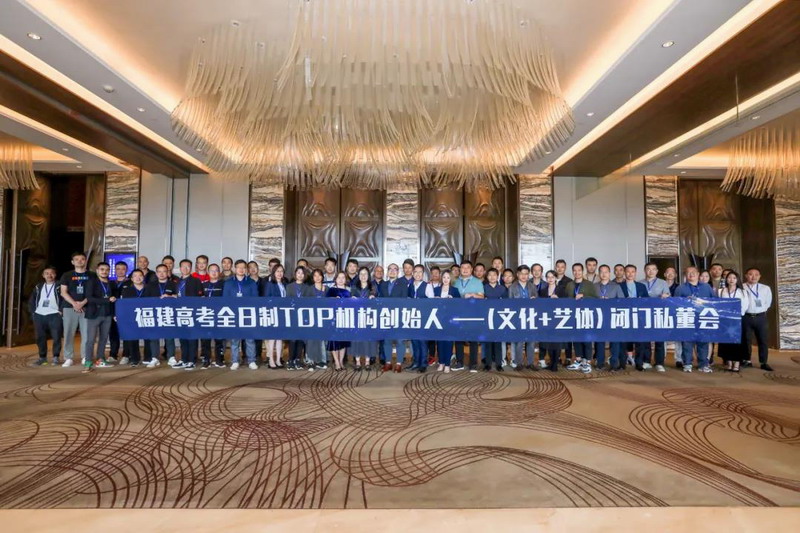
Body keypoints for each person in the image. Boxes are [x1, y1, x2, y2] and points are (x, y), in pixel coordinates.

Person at [674, 266, 715, 373]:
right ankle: (687, 363)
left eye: (693, 272)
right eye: (688, 272)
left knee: (703, 342)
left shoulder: (706, 287)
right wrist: (685, 301)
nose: (691, 274)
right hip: (687, 317)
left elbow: (714, 301)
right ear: (685, 275)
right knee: (687, 342)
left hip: (703, 318)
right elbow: (675, 304)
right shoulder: (680, 288)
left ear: (698, 274)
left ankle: (703, 364)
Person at [59, 252, 96, 367]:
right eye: (77, 259)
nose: (80, 261)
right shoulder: (66, 275)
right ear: (72, 262)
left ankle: (85, 356)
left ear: (85, 261)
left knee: (87, 334)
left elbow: (95, 292)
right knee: (68, 333)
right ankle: (68, 357)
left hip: (87, 307)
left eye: (82, 259)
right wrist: (74, 304)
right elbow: (63, 292)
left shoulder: (92, 275)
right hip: (69, 307)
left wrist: (83, 303)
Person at [223, 260, 259, 370]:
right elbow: (225, 299)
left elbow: (255, 298)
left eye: (243, 267)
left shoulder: (251, 282)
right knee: (235, 340)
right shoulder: (229, 282)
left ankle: (251, 360)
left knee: (250, 339)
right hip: (234, 314)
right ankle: (235, 361)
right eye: (239, 267)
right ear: (235, 268)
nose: (241, 269)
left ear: (246, 269)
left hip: (248, 314)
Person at [83, 262, 116, 372]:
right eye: (102, 269)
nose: (104, 271)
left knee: (104, 338)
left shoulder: (111, 283)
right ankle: (88, 362)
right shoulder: (91, 282)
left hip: (107, 314)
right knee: (90, 340)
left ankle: (100, 359)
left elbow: (114, 298)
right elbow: (89, 298)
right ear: (97, 270)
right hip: (94, 314)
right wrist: (107, 300)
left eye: (107, 269)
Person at [565, 263, 598, 374]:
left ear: (582, 271)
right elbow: (567, 299)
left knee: (586, 339)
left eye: (579, 270)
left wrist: (584, 296)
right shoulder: (569, 285)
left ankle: (587, 362)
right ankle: (578, 360)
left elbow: (596, 299)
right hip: (573, 315)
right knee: (576, 338)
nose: (577, 272)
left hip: (586, 314)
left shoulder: (589, 284)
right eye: (574, 270)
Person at [143, 264, 177, 368]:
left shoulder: (173, 284)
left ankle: (171, 357)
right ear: (156, 273)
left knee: (169, 336)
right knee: (154, 337)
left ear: (168, 272)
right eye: (159, 272)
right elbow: (145, 300)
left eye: (164, 271)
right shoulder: (150, 285)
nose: (162, 274)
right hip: (154, 314)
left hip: (169, 313)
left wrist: (172, 296)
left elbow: (179, 297)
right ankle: (155, 357)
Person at [172, 259, 204, 370]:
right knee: (182, 338)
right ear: (180, 268)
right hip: (180, 313)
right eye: (183, 266)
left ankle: (192, 360)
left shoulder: (196, 281)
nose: (185, 269)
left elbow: (200, 297)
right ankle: (184, 359)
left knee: (192, 338)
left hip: (192, 313)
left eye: (188, 266)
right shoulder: (176, 281)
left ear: (191, 268)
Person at [454, 260, 484, 372]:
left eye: (467, 267)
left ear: (471, 269)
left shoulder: (477, 282)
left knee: (473, 339)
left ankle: (473, 364)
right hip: (458, 314)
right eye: (463, 267)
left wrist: (473, 295)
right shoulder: (455, 282)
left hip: (473, 314)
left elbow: (482, 297)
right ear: (460, 269)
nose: (465, 269)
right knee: (458, 339)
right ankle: (459, 362)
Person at [618, 264, 649, 371]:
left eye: (632, 272)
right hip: (624, 316)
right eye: (628, 271)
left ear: (635, 273)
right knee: (623, 341)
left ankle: (639, 363)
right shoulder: (619, 286)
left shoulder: (641, 286)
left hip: (638, 317)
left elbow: (647, 301)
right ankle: (622, 363)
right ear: (624, 273)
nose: (630, 274)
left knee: (640, 342)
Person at [379, 263, 409, 372]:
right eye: (390, 269)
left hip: (399, 316)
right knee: (387, 341)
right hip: (386, 316)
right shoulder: (383, 284)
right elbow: (380, 300)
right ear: (387, 272)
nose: (392, 271)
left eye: (395, 269)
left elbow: (404, 301)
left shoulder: (403, 284)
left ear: (398, 272)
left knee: (400, 341)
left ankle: (399, 363)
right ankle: (388, 362)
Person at [29, 266, 62, 366]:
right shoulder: (38, 286)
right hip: (39, 314)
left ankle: (56, 357)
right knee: (40, 337)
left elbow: (65, 298)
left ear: (55, 275)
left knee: (56, 336)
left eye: (51, 273)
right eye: (47, 273)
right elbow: (32, 300)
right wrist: (33, 312)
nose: (49, 275)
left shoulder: (59, 285)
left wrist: (61, 311)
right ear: (43, 275)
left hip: (54, 314)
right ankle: (42, 358)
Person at [641, 262, 670, 372]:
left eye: (653, 269)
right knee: (645, 339)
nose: (651, 271)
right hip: (644, 314)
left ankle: (659, 363)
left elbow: (668, 296)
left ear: (657, 271)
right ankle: (646, 361)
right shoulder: (640, 283)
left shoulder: (663, 283)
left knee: (659, 339)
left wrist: (666, 296)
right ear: (645, 271)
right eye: (648, 269)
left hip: (658, 314)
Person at [594, 264, 624, 371]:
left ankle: (614, 364)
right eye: (601, 272)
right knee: (599, 341)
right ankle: (600, 363)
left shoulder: (616, 286)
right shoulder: (594, 286)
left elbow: (622, 302)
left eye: (606, 272)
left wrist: (611, 302)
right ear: (599, 274)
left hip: (613, 317)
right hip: (599, 318)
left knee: (614, 341)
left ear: (609, 273)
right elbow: (590, 302)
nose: (604, 274)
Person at [718, 270, 749, 372]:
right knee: (727, 342)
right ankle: (729, 362)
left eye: (734, 278)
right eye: (729, 277)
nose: (731, 280)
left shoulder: (743, 292)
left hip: (738, 320)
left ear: (737, 280)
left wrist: (736, 314)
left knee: (737, 342)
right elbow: (719, 305)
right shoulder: (721, 291)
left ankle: (737, 363)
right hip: (725, 320)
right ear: (726, 279)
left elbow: (745, 306)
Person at [742, 267, 773, 371]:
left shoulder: (765, 288)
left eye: (756, 274)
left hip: (760, 317)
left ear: (759, 276)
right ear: (746, 276)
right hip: (746, 316)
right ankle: (747, 360)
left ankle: (763, 362)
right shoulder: (742, 287)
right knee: (746, 339)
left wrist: (760, 310)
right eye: (751, 274)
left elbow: (768, 303)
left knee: (763, 340)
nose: (753, 276)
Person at [508, 264, 537, 370]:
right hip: (518, 317)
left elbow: (537, 302)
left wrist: (534, 300)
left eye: (526, 274)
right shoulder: (512, 287)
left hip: (530, 317)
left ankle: (530, 363)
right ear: (517, 274)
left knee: (531, 341)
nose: (524, 276)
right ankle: (519, 363)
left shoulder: (532, 286)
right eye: (522, 274)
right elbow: (509, 304)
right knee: (519, 342)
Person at [119, 269, 149, 367]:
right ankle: (135, 359)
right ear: (131, 279)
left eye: (140, 275)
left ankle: (148, 357)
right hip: (132, 317)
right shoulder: (127, 290)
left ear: (143, 277)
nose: (138, 278)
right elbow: (123, 305)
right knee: (133, 338)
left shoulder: (149, 289)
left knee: (148, 338)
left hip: (146, 316)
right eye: (135, 276)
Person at [350, 266, 378, 371]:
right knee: (357, 339)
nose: (363, 276)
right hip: (356, 317)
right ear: (358, 275)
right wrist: (351, 299)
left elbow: (375, 296)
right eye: (361, 274)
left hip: (369, 317)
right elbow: (350, 298)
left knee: (368, 339)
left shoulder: (373, 286)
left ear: (368, 275)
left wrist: (372, 297)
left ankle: (367, 361)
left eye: (365, 274)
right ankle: (357, 361)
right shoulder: (354, 287)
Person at [433, 270, 460, 373]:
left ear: (451, 279)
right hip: (438, 318)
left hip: (450, 319)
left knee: (448, 342)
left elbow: (460, 304)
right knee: (440, 342)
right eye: (444, 277)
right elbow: (430, 304)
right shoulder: (436, 290)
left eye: (448, 277)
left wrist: (452, 300)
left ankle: (447, 364)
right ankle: (441, 362)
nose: (446, 279)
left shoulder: (454, 290)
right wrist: (435, 300)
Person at [285, 266, 311, 370]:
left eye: (302, 273)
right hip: (292, 315)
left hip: (303, 315)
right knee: (292, 339)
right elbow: (287, 301)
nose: (300, 275)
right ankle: (290, 360)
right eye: (298, 273)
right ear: (295, 274)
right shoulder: (289, 286)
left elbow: (309, 302)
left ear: (305, 275)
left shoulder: (307, 287)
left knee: (301, 338)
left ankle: (297, 359)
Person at [200, 263, 226, 369]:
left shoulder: (223, 284)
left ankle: (219, 360)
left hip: (219, 315)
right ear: (208, 272)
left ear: (219, 272)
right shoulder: (203, 285)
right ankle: (207, 359)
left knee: (219, 339)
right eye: (212, 270)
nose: (214, 273)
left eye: (216, 270)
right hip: (206, 315)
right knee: (205, 339)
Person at [482, 268, 508, 371]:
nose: (492, 277)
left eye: (494, 275)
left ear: (497, 277)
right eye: (490, 275)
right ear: (487, 277)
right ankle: (488, 364)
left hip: (499, 318)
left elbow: (506, 303)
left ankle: (498, 364)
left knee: (498, 342)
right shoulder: (483, 288)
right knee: (488, 342)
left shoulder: (502, 289)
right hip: (487, 317)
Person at [539, 270, 565, 371]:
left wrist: (558, 299)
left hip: (558, 318)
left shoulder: (561, 290)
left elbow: (566, 303)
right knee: (549, 341)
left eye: (552, 277)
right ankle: (551, 361)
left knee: (557, 342)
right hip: (547, 318)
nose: (550, 279)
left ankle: (555, 363)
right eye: (548, 277)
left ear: (556, 278)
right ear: (546, 279)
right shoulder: (543, 291)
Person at [263, 263, 287, 369]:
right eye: (277, 271)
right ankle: (271, 360)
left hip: (282, 313)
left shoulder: (284, 284)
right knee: (272, 338)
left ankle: (278, 360)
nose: (279, 273)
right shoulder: (270, 284)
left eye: (281, 271)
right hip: (273, 313)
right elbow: (266, 299)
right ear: (273, 273)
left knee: (279, 338)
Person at [326, 272, 351, 371]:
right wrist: (332, 299)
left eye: (343, 277)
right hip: (333, 318)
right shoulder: (331, 290)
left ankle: (341, 361)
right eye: (339, 277)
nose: (341, 279)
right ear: (335, 279)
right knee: (334, 341)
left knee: (343, 341)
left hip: (345, 318)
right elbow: (325, 302)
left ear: (345, 279)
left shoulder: (348, 291)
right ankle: (336, 362)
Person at [407, 264, 429, 373]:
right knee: (414, 341)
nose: (417, 274)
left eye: (420, 272)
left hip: (424, 318)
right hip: (413, 317)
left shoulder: (427, 286)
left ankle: (423, 364)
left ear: (423, 274)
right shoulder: (410, 286)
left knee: (422, 342)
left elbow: (432, 303)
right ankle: (416, 362)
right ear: (413, 273)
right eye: (415, 272)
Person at [306, 268, 328, 370]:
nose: (317, 277)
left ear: (322, 277)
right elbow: (305, 304)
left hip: (323, 318)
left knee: (322, 340)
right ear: (313, 278)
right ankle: (310, 361)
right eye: (315, 275)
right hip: (312, 317)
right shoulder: (309, 289)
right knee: (311, 340)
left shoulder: (326, 288)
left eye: (319, 275)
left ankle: (321, 361)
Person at [108, 261, 130, 363]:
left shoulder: (130, 283)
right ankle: (113, 355)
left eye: (123, 269)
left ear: (126, 270)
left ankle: (126, 355)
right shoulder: (110, 283)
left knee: (126, 334)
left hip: (126, 312)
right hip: (113, 311)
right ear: (115, 270)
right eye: (118, 269)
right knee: (113, 334)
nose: (120, 271)